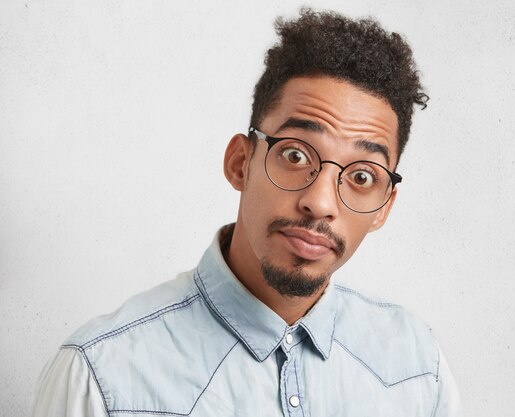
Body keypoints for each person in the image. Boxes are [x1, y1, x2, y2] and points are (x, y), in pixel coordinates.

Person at [31, 8, 462, 417]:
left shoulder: (418, 366)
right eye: (295, 155)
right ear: (241, 162)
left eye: (362, 177)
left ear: (384, 207)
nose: (321, 202)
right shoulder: (101, 373)